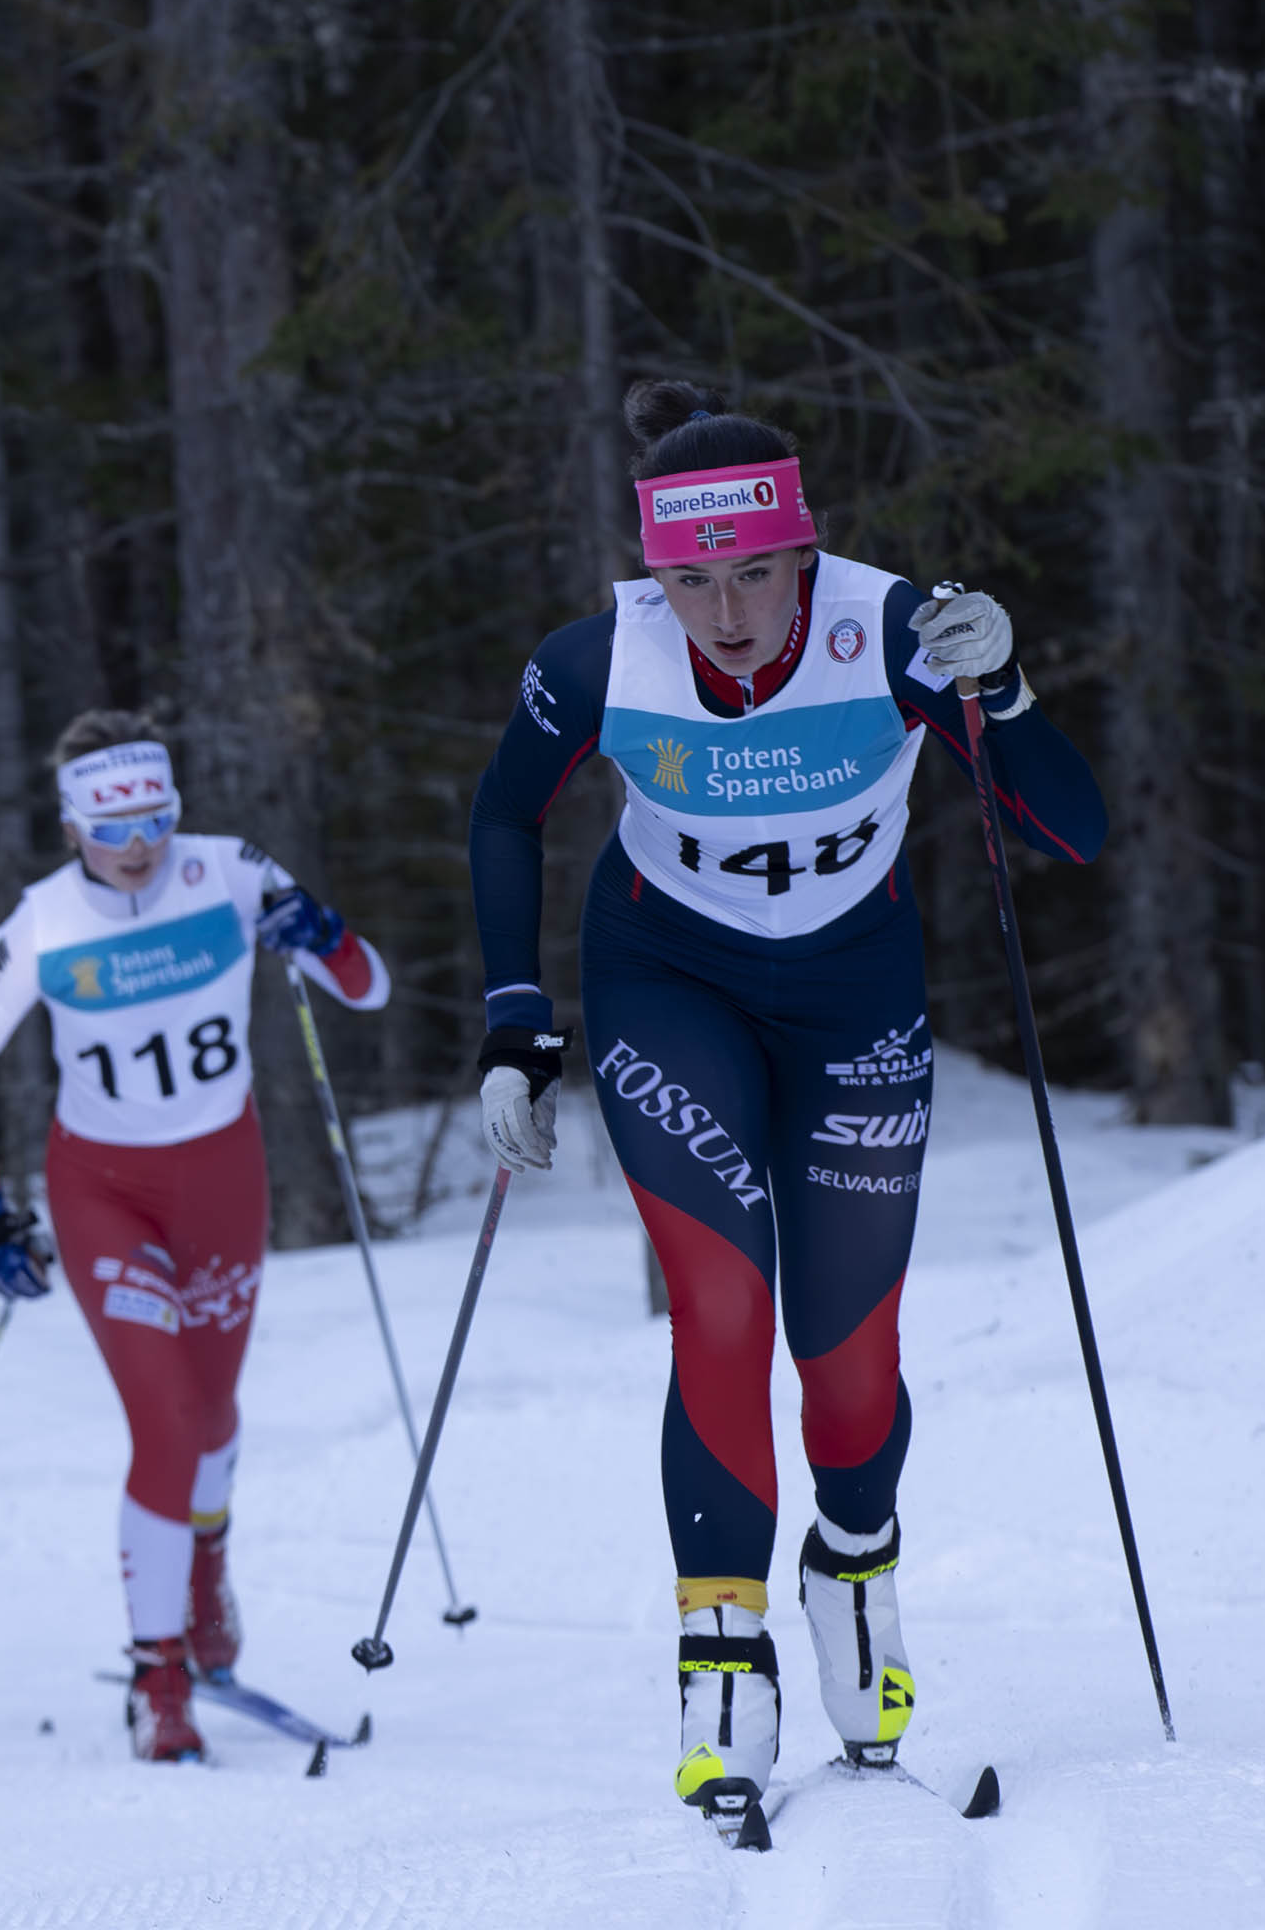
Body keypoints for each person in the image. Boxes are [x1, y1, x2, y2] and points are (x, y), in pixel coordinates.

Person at [468, 379, 1108, 1838]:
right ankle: (720, 1659)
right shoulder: (600, 662)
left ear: (803, 556)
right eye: (692, 580)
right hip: (665, 980)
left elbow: (1074, 826)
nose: (729, 612)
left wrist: (1000, 691)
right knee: (719, 1310)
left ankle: (856, 1561)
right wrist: (516, 1022)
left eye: (755, 572)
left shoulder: (890, 634)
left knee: (851, 1346)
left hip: (852, 994)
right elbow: (504, 808)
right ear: (655, 572)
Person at [0, 719, 391, 1760]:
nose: (135, 845)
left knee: (216, 1418)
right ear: (71, 824)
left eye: (152, 818)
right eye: (108, 825)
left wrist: (320, 933)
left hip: (222, 1180)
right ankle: (158, 1674)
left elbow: (368, 988)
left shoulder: (229, 871)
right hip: (103, 1188)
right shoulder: (43, 920)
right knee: (171, 1420)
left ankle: (202, 1571)